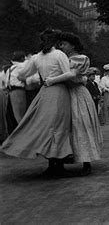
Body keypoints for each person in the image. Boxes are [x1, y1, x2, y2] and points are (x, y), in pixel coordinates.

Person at [1, 29, 73, 177]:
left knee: (46, 126)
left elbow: (21, 76)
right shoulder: (59, 55)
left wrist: (33, 83)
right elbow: (69, 74)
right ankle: (58, 166)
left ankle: (52, 165)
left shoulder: (36, 57)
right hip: (59, 92)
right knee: (58, 127)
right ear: (55, 42)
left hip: (44, 93)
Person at [45, 32, 103, 176]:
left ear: (73, 45)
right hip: (62, 94)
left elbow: (72, 76)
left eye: (64, 44)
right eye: (60, 44)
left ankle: (86, 162)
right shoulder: (61, 58)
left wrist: (52, 79)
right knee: (62, 127)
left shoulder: (80, 58)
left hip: (77, 94)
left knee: (80, 125)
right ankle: (60, 160)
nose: (61, 47)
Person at [5, 51, 28, 124]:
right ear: (22, 58)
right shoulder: (22, 66)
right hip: (18, 91)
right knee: (21, 117)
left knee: (16, 116)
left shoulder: (10, 68)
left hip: (10, 91)